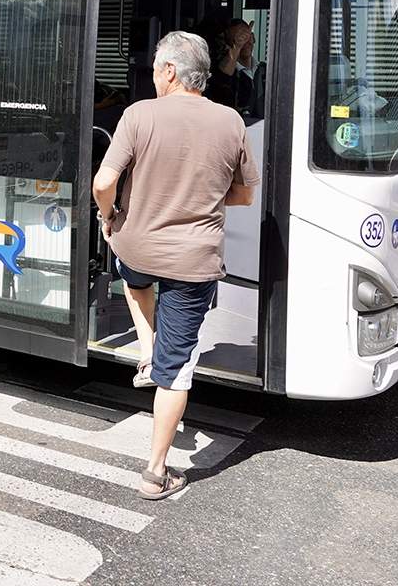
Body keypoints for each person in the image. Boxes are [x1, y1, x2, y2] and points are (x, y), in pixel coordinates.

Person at [91, 31, 260, 500]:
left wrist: (109, 217)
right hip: (193, 259)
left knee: (132, 276)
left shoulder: (138, 114)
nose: (152, 76)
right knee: (177, 368)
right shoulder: (230, 121)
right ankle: (155, 471)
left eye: (153, 69)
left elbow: (104, 182)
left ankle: (146, 344)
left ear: (168, 72)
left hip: (136, 247)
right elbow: (245, 195)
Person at [206, 18, 255, 114]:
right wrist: (237, 47)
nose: (244, 40)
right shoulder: (224, 71)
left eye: (247, 36)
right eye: (238, 38)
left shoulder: (265, 70)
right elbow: (222, 80)